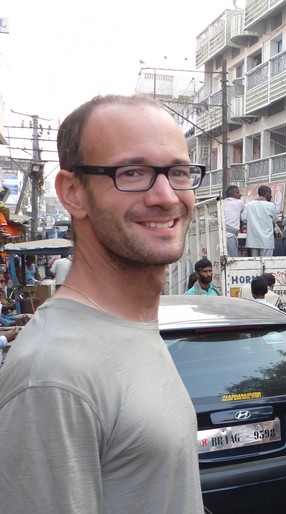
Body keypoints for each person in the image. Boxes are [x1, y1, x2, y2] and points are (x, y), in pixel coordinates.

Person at [0, 94, 204, 512]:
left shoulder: (131, 325)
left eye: (178, 172)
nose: (166, 196)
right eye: (132, 172)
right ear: (72, 192)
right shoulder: (53, 373)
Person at [241, 185, 279, 257]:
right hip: (267, 241)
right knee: (266, 262)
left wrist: (252, 221)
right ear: (265, 194)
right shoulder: (271, 206)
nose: (271, 196)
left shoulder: (248, 205)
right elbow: (275, 220)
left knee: (255, 262)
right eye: (270, 193)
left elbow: (243, 218)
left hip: (253, 241)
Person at [224, 184, 245, 257]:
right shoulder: (239, 203)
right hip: (230, 235)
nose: (240, 194)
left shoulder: (223, 203)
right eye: (238, 192)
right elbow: (244, 216)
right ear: (232, 194)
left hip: (221, 234)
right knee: (232, 258)